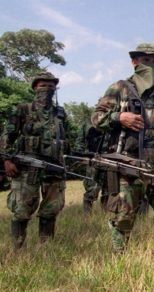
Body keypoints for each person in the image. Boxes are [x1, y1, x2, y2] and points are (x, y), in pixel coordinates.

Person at [91, 43, 154, 257]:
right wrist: (119, 117)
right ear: (135, 62)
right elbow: (96, 118)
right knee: (122, 216)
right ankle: (119, 259)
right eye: (146, 60)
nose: (151, 64)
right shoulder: (120, 88)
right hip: (128, 164)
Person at [0, 72, 67, 249]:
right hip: (26, 168)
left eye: (51, 86)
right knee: (21, 210)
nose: (47, 89)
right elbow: (7, 136)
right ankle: (18, 248)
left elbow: (62, 140)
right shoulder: (22, 109)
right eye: (43, 85)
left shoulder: (59, 113)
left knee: (51, 209)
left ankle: (45, 248)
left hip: (53, 167)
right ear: (35, 88)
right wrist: (7, 160)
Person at [74, 120, 108, 214]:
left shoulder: (112, 123)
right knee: (91, 189)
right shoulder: (87, 124)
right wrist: (81, 156)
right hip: (92, 160)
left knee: (107, 190)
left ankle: (105, 215)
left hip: (109, 160)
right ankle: (87, 218)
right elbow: (79, 142)